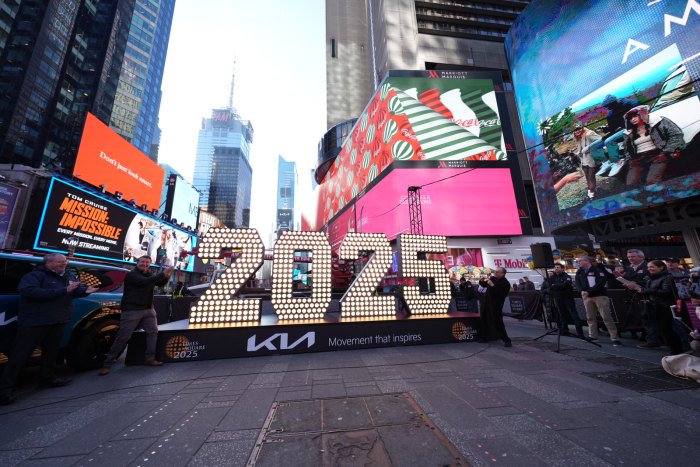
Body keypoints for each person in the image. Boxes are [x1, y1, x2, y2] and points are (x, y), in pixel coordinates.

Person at [0, 254, 99, 405]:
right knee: (20, 355)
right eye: (60, 262)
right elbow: (29, 292)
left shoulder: (67, 275)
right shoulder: (35, 276)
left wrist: (86, 291)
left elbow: (74, 291)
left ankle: (48, 378)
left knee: (51, 352)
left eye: (65, 262)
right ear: (49, 263)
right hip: (35, 321)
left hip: (58, 320)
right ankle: (5, 391)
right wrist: (64, 290)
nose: (64, 264)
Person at [99, 256, 174, 375]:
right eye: (142, 262)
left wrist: (167, 275)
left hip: (148, 309)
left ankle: (150, 359)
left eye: (147, 262)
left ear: (150, 264)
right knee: (123, 337)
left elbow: (159, 284)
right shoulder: (132, 275)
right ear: (137, 263)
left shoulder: (149, 274)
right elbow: (144, 282)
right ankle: (107, 363)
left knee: (153, 332)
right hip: (132, 310)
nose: (144, 264)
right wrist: (162, 273)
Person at [622, 260, 683, 355]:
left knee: (669, 330)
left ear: (661, 267)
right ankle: (674, 350)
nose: (649, 269)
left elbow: (667, 292)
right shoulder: (649, 278)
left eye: (652, 267)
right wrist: (634, 287)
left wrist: (644, 290)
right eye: (648, 267)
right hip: (654, 306)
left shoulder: (667, 277)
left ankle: (678, 350)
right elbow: (644, 288)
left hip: (666, 307)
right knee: (663, 330)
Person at [623, 105, 684, 187]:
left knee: (652, 181)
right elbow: (627, 150)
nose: (632, 120)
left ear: (642, 114)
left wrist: (665, 152)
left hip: (657, 155)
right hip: (638, 158)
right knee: (631, 183)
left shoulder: (658, 122)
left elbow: (676, 135)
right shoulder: (628, 133)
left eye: (635, 116)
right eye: (630, 118)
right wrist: (630, 160)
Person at [575, 256, 621, 346]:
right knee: (590, 317)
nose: (578, 263)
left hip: (599, 296)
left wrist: (589, 291)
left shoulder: (597, 269)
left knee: (606, 317)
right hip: (587, 297)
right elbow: (577, 282)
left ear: (586, 261)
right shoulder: (580, 271)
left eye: (580, 261)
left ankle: (615, 338)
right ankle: (593, 336)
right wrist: (582, 291)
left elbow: (601, 283)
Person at [478, 268, 513, 347]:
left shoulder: (505, 283)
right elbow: (483, 284)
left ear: (502, 273)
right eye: (495, 271)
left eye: (497, 272)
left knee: (498, 323)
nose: (495, 273)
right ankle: (484, 337)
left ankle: (506, 340)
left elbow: (499, 294)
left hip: (495, 306)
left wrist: (492, 285)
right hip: (486, 303)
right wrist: (482, 280)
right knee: (484, 320)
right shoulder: (493, 278)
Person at [549, 263, 585, 338]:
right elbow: (549, 286)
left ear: (562, 269)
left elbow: (566, 285)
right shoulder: (552, 277)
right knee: (562, 315)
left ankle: (580, 333)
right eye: (555, 267)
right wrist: (557, 286)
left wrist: (555, 286)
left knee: (573, 314)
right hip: (558, 298)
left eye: (558, 267)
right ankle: (565, 331)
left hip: (568, 298)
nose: (556, 269)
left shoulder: (567, 276)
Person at [573, 124, 603, 199]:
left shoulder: (589, 134)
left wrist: (589, 148)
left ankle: (591, 193)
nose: (577, 131)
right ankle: (591, 190)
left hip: (592, 160)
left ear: (582, 128)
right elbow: (581, 149)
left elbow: (600, 140)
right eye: (575, 130)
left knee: (591, 177)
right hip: (584, 161)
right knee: (588, 178)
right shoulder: (579, 137)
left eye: (579, 129)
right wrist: (578, 152)